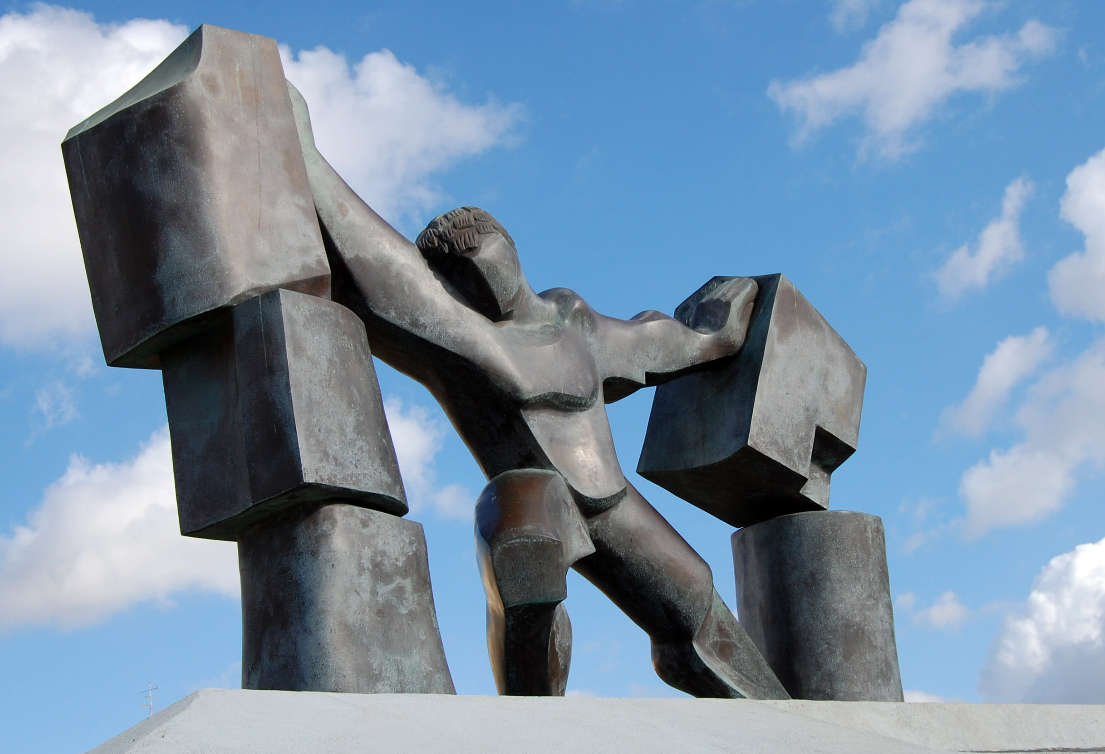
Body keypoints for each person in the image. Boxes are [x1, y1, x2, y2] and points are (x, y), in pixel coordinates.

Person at [289, 84, 787, 699]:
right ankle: (530, 729)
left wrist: (717, 338)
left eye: (485, 257)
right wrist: (305, 158)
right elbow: (384, 276)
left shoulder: (572, 322)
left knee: (698, 621)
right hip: (535, 498)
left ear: (512, 249)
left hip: (614, 506)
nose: (480, 276)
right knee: (526, 553)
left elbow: (654, 343)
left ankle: (789, 724)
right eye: (460, 273)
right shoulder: (465, 341)